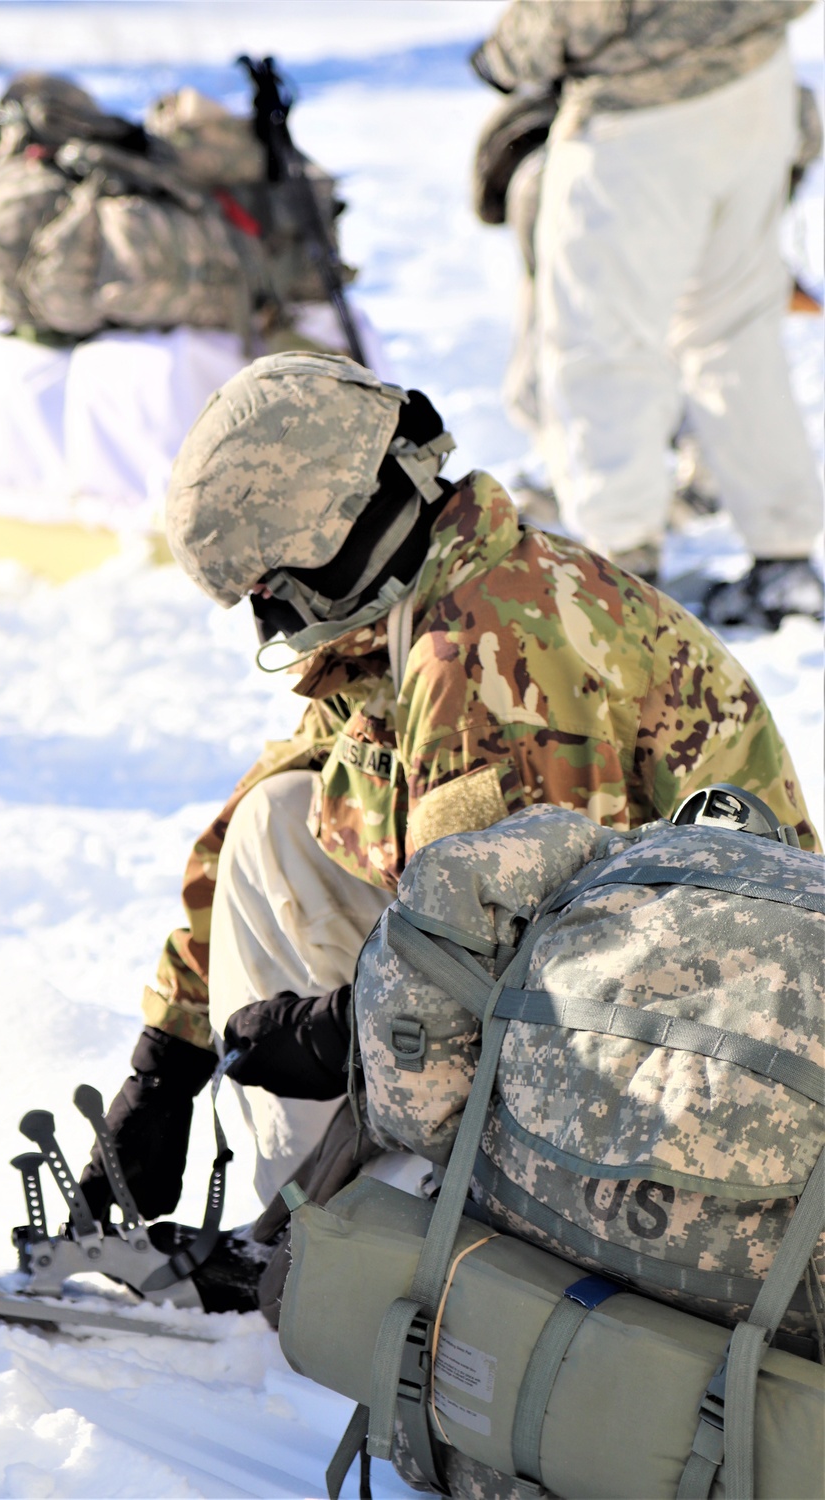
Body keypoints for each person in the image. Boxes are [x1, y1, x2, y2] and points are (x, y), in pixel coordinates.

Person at [77, 351, 817, 1309]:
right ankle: (312, 1231)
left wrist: (342, 1029)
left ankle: (353, 1265)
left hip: (705, 1060)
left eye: (273, 584)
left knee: (429, 1009)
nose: (273, 613)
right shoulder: (423, 594)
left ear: (325, 543)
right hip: (610, 993)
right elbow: (285, 791)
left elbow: (536, 969)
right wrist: (168, 1058)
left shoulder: (496, 646)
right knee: (281, 823)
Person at [472, 0, 824, 627]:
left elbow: (567, 17)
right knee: (735, 331)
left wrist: (507, 52)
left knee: (602, 342)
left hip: (639, 114)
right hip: (755, 80)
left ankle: (624, 573)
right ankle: (784, 561)